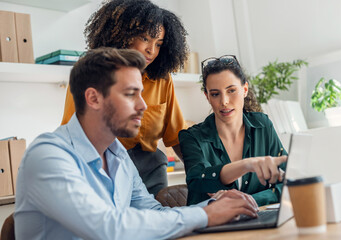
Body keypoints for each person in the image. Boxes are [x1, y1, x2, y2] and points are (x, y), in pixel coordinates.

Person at [15, 48, 259, 240]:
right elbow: (108, 228)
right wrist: (205, 215)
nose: (143, 105)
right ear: (93, 98)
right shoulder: (48, 156)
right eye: (131, 94)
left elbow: (152, 213)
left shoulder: (117, 154)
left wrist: (216, 204)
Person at [61, 0, 189, 196]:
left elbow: (176, 135)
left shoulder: (162, 78)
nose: (152, 51)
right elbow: (73, 133)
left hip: (151, 169)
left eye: (159, 44)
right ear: (123, 35)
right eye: (145, 39)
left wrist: (201, 175)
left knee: (156, 217)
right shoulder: (91, 72)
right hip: (104, 166)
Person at [179, 55, 288, 206]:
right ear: (207, 96)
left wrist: (249, 201)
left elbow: (289, 181)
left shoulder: (263, 125)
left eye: (231, 91)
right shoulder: (191, 137)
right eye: (215, 94)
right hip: (213, 226)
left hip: (260, 221)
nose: (224, 101)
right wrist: (247, 164)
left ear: (244, 90)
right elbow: (198, 181)